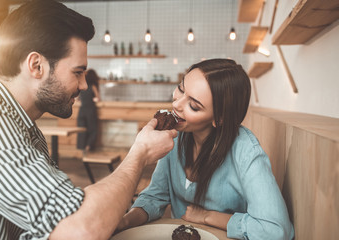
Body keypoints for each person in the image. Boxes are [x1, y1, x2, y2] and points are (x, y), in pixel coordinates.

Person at [0, 0, 177, 239]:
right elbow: (80, 229)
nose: (84, 84)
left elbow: (60, 213)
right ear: (36, 65)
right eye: (77, 72)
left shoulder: (24, 127)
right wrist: (140, 153)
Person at [116, 59, 295, 239]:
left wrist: (207, 216)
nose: (177, 104)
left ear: (220, 118)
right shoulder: (174, 137)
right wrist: (123, 222)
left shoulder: (246, 151)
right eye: (181, 88)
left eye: (193, 105)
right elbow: (154, 198)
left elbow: (275, 231)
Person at [77, 69, 101, 152]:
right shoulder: (93, 86)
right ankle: (88, 147)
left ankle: (82, 149)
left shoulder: (83, 87)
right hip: (90, 110)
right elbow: (98, 99)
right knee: (93, 130)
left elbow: (78, 99)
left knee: (82, 130)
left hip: (82, 110)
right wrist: (94, 99)